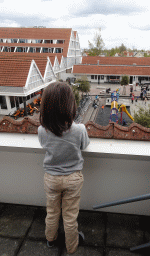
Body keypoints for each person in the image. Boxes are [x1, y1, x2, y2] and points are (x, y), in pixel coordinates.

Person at [38, 82, 90, 255]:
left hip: (51, 178)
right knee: (70, 216)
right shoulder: (80, 129)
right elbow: (84, 145)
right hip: (73, 179)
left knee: (52, 212)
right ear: (70, 105)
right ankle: (72, 246)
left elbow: (46, 145)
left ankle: (50, 239)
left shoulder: (42, 131)